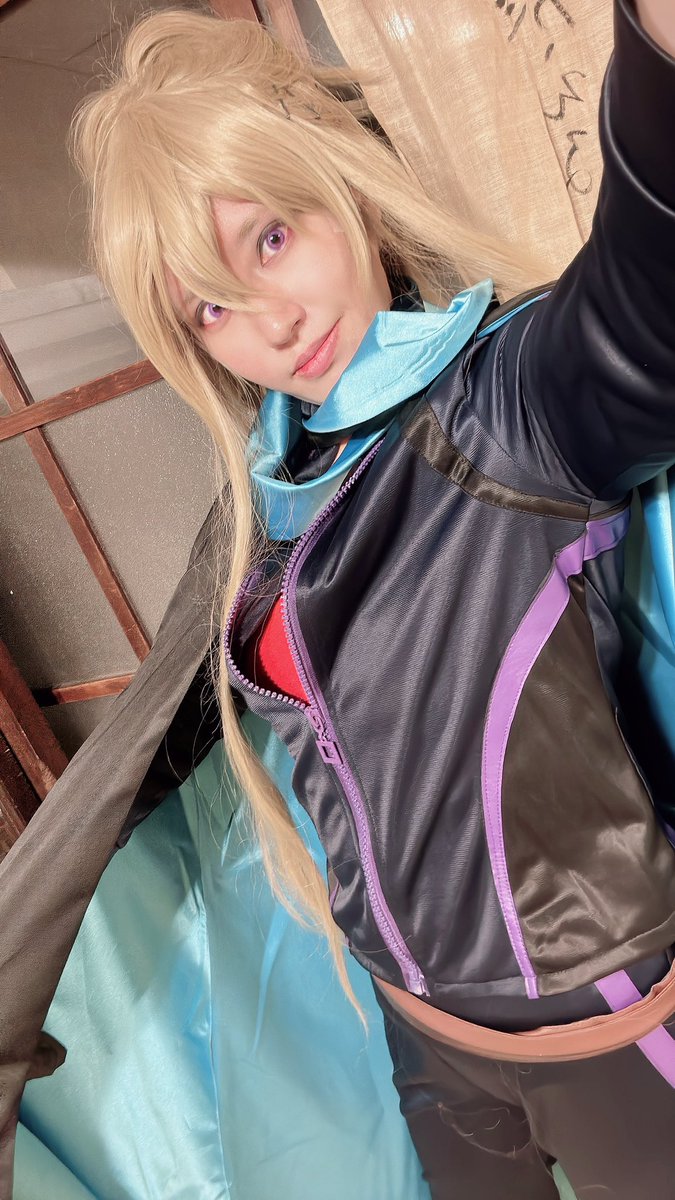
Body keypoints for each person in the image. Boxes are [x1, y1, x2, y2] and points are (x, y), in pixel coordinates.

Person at [3, 1, 675, 1197]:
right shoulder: (271, 505)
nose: (273, 323)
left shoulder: (501, 414)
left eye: (270, 239)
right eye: (210, 307)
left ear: (342, 192)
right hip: (430, 1043)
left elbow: (648, 298)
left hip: (600, 1021)